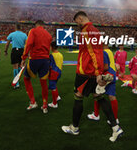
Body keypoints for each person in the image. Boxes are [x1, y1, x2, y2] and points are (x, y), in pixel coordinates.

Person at [61, 11, 123, 142]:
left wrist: (98, 73)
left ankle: (75, 128)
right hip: (92, 71)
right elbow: (97, 53)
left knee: (78, 96)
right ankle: (115, 127)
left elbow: (94, 54)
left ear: (80, 18)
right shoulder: (94, 30)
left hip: (86, 72)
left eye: (76, 21)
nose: (76, 24)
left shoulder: (86, 30)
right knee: (99, 97)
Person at [21, 20, 52, 114]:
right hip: (45, 60)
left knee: (26, 78)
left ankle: (33, 102)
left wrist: (24, 57)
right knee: (43, 83)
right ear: (43, 25)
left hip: (35, 59)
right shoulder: (48, 35)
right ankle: (45, 105)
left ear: (36, 25)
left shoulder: (33, 31)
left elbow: (29, 44)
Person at [87, 44, 119, 124]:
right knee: (112, 96)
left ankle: (96, 114)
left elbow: (105, 67)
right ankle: (115, 118)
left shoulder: (102, 53)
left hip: (105, 76)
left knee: (97, 94)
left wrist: (95, 71)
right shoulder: (109, 52)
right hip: (112, 74)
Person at [4, 24, 27, 89]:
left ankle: (16, 83)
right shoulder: (24, 35)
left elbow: (7, 43)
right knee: (20, 66)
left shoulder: (12, 34)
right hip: (22, 51)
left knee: (15, 67)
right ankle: (18, 80)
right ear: (21, 28)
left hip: (15, 51)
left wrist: (5, 51)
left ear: (15, 28)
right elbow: (26, 44)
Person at [48, 41, 63, 108]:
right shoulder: (61, 54)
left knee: (53, 87)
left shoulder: (51, 55)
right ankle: (57, 97)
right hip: (59, 72)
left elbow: (50, 66)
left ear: (52, 47)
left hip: (53, 72)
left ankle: (54, 103)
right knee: (54, 85)